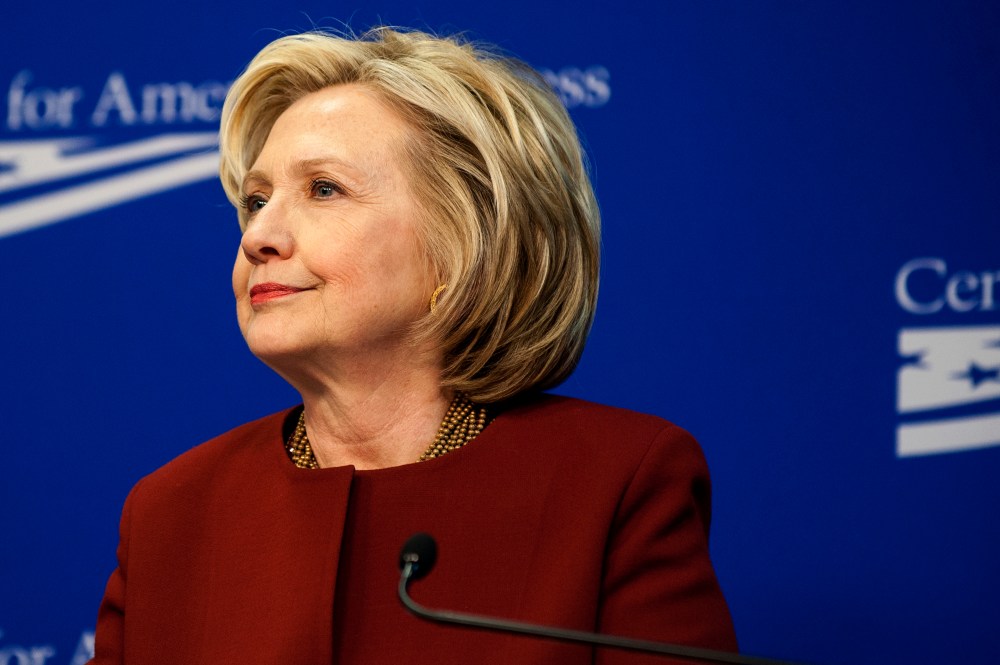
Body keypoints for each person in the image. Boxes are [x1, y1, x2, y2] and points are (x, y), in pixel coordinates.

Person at [90, 27, 737, 664]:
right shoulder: (170, 512)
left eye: (323, 189)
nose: (260, 233)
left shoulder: (613, 483)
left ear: (458, 246)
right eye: (257, 199)